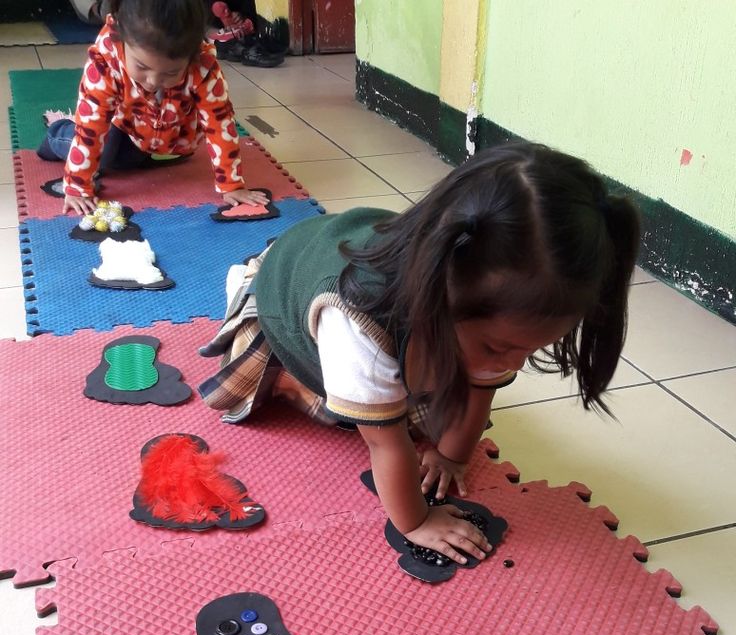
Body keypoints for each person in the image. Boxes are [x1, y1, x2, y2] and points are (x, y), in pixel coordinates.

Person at [199, 142, 641, 564]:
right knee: (365, 411)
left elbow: (480, 387)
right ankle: (244, 281)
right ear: (439, 292)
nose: (513, 363)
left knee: (437, 398)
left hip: (366, 264)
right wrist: (417, 520)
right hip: (287, 288)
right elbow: (382, 442)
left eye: (531, 350)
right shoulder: (356, 320)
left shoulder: (485, 296)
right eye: (499, 347)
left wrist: (452, 456)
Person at [41, 0, 268, 216]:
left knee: (136, 162)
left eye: (170, 73)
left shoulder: (203, 67)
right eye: (141, 66)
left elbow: (220, 124)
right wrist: (77, 186)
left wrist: (231, 185)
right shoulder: (105, 62)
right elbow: (92, 127)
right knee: (105, 156)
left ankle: (141, 151)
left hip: (165, 137)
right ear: (121, 40)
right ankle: (58, 130)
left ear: (191, 57)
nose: (152, 81)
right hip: (121, 125)